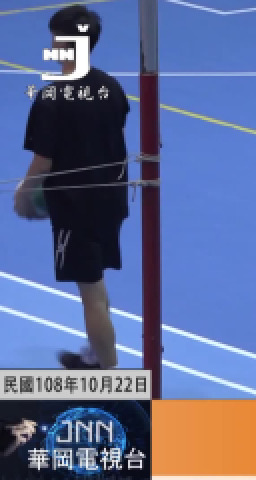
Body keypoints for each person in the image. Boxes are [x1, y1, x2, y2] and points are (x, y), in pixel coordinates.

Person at [14, 4, 130, 369]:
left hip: (76, 208)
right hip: (112, 200)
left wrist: (23, 196)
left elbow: (43, 162)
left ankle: (108, 378)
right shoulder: (112, 88)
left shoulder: (52, 99)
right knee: (95, 280)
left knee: (90, 293)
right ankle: (96, 356)